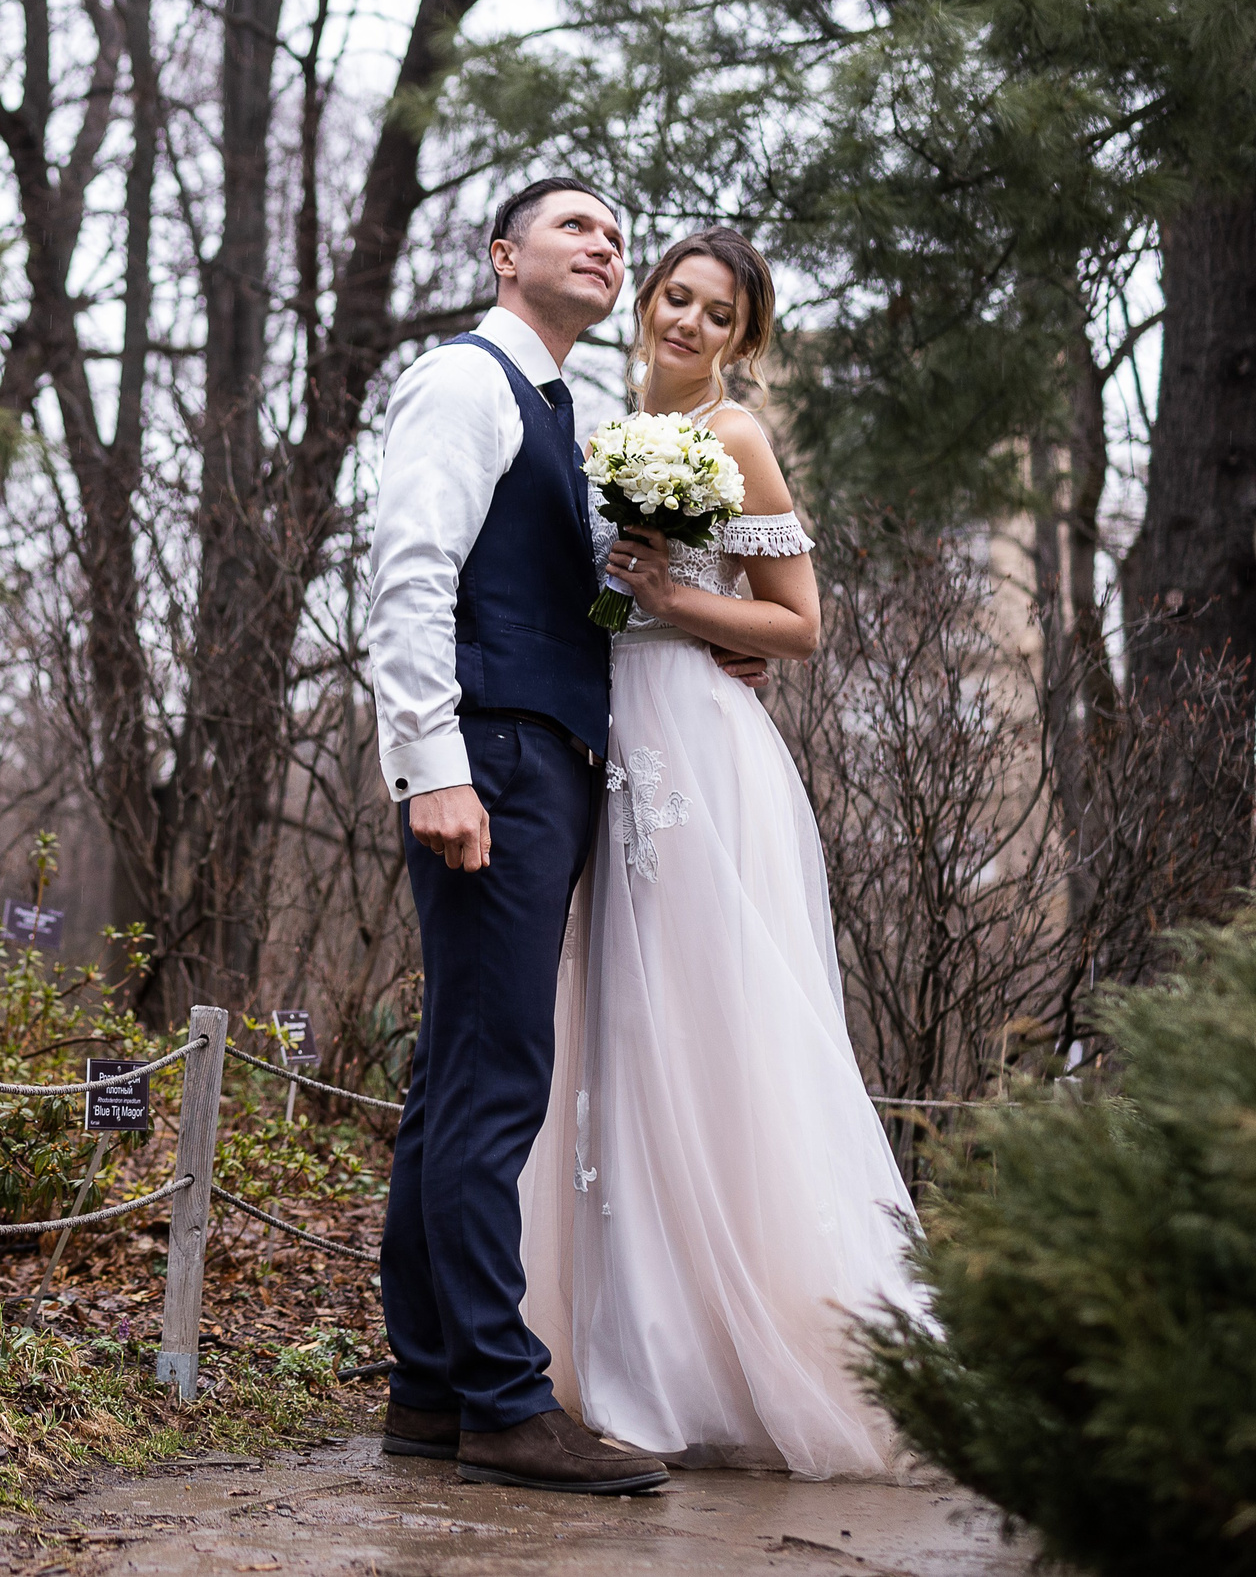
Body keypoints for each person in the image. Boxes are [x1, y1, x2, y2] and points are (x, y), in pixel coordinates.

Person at [517, 227, 925, 1480]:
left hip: (697, 750)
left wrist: (679, 606)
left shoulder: (733, 438)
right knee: (615, 1034)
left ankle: (734, 1351)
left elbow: (797, 625)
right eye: (673, 299)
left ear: (742, 337)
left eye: (714, 312)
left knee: (705, 1026)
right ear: (647, 306)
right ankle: (622, 1341)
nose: (685, 323)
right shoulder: (595, 430)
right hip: (606, 738)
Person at [366, 178, 692, 1494]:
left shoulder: (563, 412)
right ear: (506, 256)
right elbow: (408, 568)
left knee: (454, 1083)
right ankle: (506, 1398)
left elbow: (545, 599)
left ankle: (432, 1388)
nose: (607, 245)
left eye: (618, 234)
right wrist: (433, 761)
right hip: (490, 758)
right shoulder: (468, 381)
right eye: (578, 228)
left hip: (532, 751)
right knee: (494, 1083)